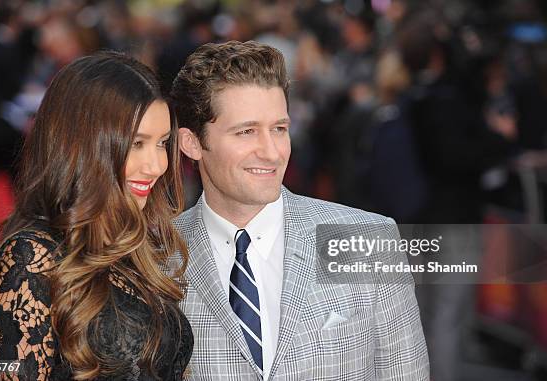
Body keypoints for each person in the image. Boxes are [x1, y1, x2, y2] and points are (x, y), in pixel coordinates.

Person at [171, 40, 428, 380]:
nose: (271, 151)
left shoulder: (367, 240)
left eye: (279, 129)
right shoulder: (156, 257)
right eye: (247, 132)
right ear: (192, 143)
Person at [0, 52, 193, 380]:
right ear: (83, 146)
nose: (156, 166)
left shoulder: (135, 240)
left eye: (162, 143)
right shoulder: (30, 258)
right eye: (136, 143)